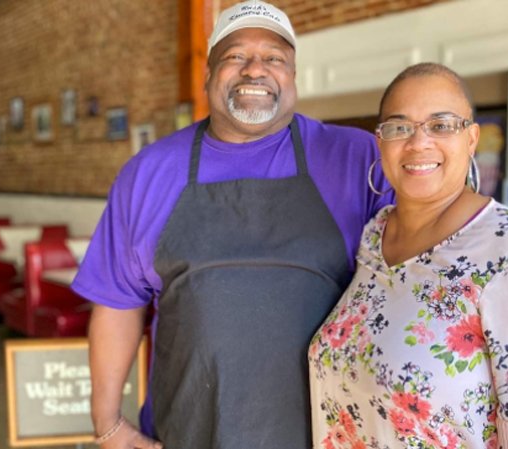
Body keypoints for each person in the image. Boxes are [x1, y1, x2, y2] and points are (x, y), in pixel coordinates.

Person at [71, 2, 393, 448]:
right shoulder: (148, 172)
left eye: (275, 58)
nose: (254, 70)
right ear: (208, 76)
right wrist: (107, 424)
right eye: (235, 56)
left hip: (327, 434)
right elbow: (117, 302)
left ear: (294, 77)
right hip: (186, 430)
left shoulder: (358, 159)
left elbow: (416, 274)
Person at [308, 63, 508, 448]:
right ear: (380, 142)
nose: (418, 142)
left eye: (441, 125)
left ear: (472, 138)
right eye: (399, 126)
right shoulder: (373, 236)